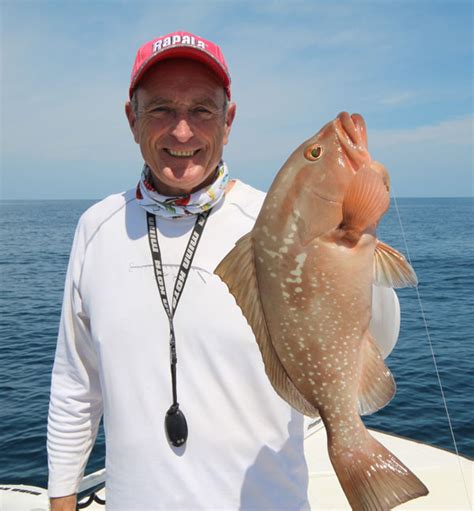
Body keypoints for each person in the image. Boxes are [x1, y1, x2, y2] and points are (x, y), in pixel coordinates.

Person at [47, 31, 401, 510]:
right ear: (132, 119)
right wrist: (61, 497)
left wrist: (358, 237)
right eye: (161, 110)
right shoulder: (96, 228)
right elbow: (76, 385)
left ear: (228, 120)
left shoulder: (268, 220)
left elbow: (378, 334)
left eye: (202, 110)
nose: (182, 131)